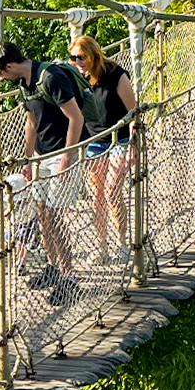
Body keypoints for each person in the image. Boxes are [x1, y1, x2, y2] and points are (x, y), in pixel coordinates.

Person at [0, 41, 86, 306]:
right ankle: (53, 266)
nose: (1, 78)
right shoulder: (26, 84)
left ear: (9, 66)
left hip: (61, 154)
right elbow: (31, 123)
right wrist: (28, 158)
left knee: (56, 217)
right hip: (41, 156)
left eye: (1, 73)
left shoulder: (51, 78)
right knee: (43, 214)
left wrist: (67, 158)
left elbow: (76, 118)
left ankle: (70, 279)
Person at [72, 34, 137, 267]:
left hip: (119, 139)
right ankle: (102, 247)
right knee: (97, 195)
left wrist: (133, 146)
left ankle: (122, 244)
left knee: (111, 191)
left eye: (81, 57)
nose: (77, 62)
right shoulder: (79, 80)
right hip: (94, 141)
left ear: (93, 56)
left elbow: (133, 112)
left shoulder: (117, 75)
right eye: (73, 58)